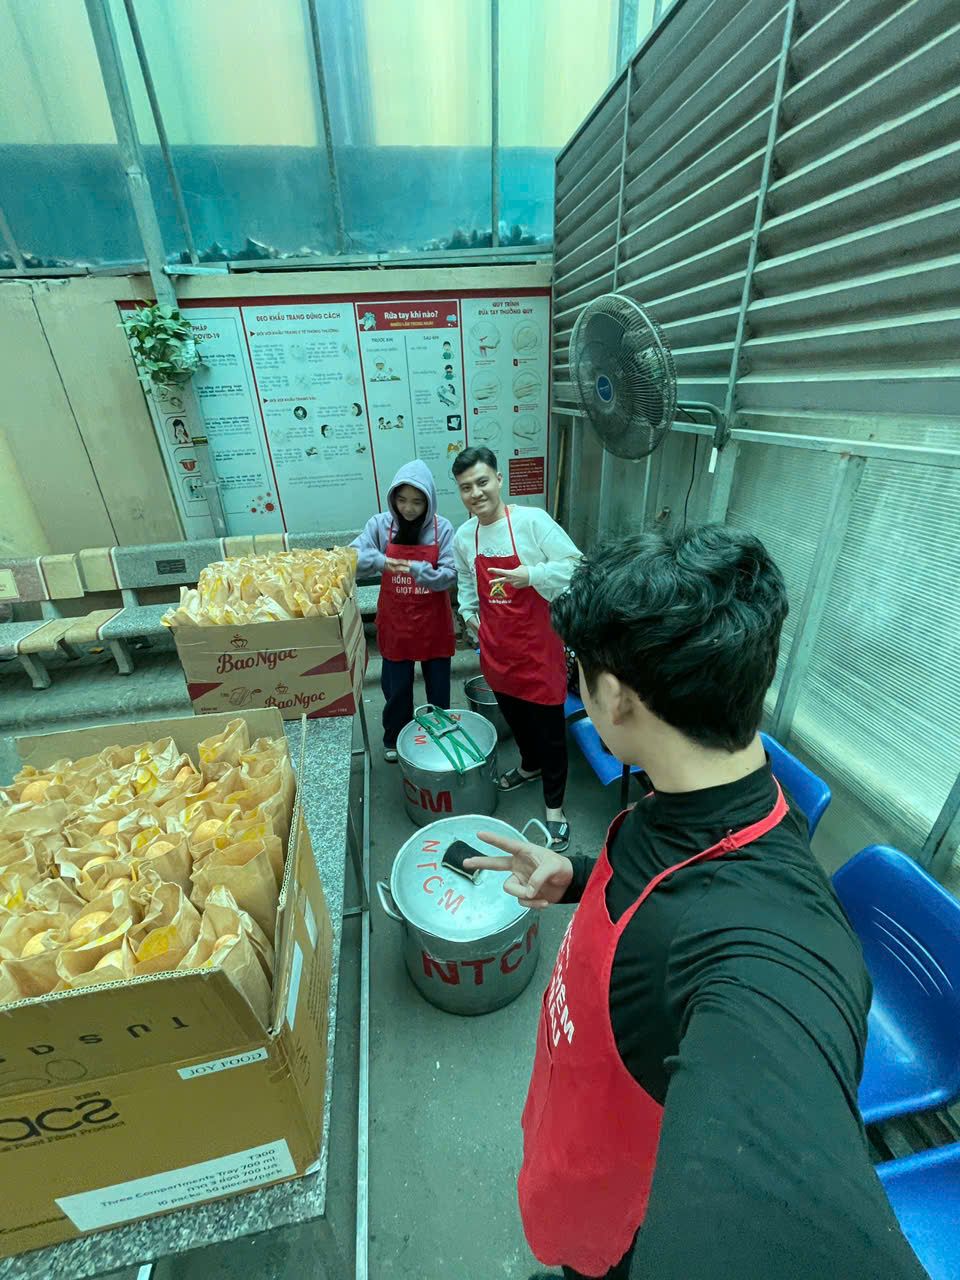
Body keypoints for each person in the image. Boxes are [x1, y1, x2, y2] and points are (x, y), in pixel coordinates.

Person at [464, 526, 927, 1280]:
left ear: (615, 697)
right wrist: (578, 876)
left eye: (578, 669)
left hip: (621, 1231)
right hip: (569, 1134)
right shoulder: (700, 791)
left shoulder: (768, 948)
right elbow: (667, 879)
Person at [452, 446, 580, 851]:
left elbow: (576, 565)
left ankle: (555, 807)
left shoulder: (531, 522)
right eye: (466, 487)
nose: (476, 493)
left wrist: (532, 575)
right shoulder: (464, 536)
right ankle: (528, 766)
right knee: (517, 720)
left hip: (538, 648)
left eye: (482, 482)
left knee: (550, 732)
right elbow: (466, 582)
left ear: (499, 479)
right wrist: (468, 614)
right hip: (497, 650)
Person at [352, 461, 455, 762]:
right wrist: (380, 561)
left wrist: (427, 574)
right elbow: (351, 558)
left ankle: (440, 736)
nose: (408, 509)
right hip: (396, 621)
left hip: (433, 622)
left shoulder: (442, 529)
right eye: (402, 500)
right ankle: (396, 736)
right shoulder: (380, 525)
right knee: (396, 688)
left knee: (439, 688)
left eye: (417, 501)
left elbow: (451, 574)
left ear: (429, 501)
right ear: (393, 498)